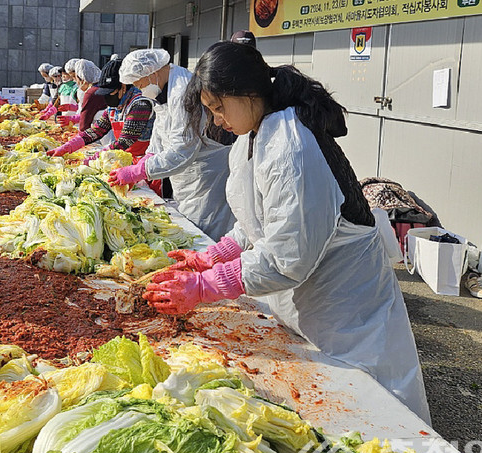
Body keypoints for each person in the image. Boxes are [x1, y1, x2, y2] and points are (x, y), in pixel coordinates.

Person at [143, 41, 430, 422]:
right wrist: (216, 254)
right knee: (324, 396)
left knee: (371, 408)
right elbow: (258, 219)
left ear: (247, 93)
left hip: (345, 301)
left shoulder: (291, 147)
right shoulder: (254, 135)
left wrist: (207, 286)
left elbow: (286, 253)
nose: (216, 121)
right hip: (311, 295)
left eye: (218, 108)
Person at [106, 48, 234, 241]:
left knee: (204, 233)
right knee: (189, 226)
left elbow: (182, 149)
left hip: (205, 174)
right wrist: (149, 156)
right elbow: (160, 129)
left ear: (152, 73)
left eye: (140, 85)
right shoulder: (163, 88)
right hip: (185, 174)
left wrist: (140, 171)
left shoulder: (182, 91)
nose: (140, 90)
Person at [48, 57, 155, 159]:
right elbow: (98, 129)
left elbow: (125, 141)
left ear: (123, 87)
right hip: (125, 158)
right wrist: (70, 146)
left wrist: (96, 157)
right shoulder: (115, 105)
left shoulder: (140, 104)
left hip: (144, 163)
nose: (107, 96)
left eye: (109, 92)